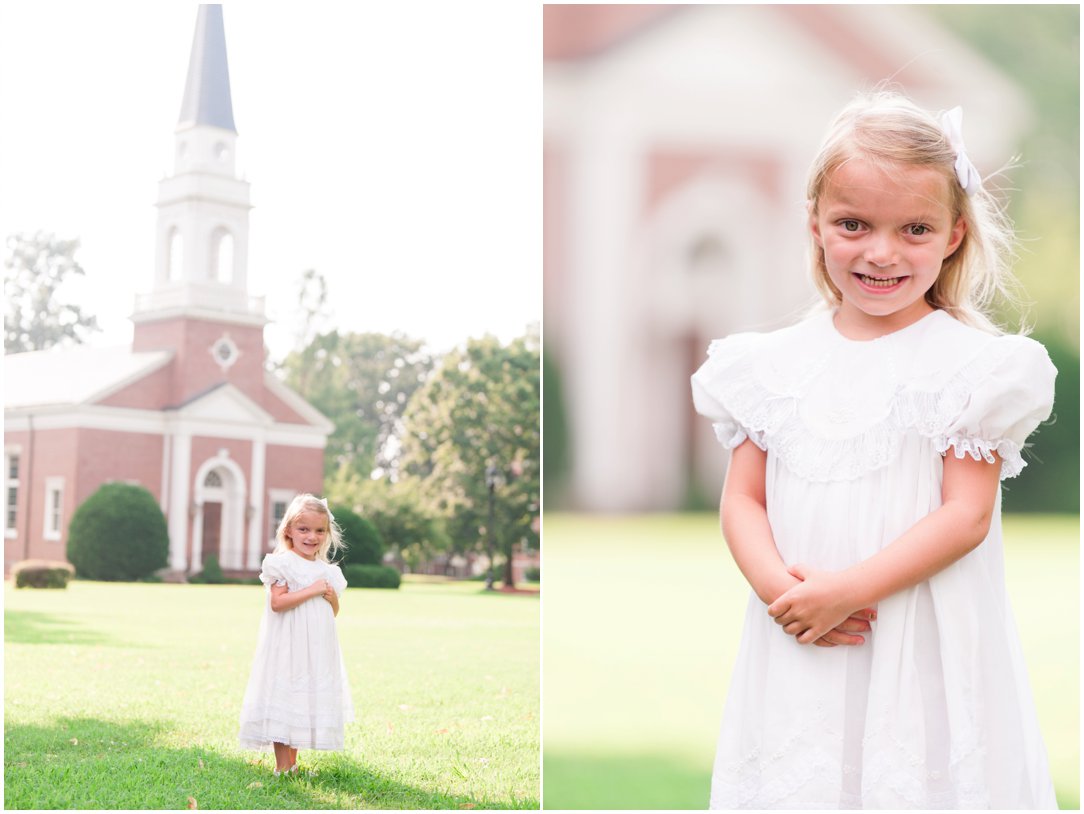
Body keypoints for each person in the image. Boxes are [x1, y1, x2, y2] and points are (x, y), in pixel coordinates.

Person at [691, 91, 1058, 809]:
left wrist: (849, 592)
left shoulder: (972, 368)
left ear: (954, 234)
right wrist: (785, 593)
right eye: (853, 223)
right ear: (816, 224)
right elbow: (744, 497)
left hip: (912, 634)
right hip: (800, 633)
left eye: (914, 228)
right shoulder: (768, 365)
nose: (881, 252)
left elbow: (965, 515)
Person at [238, 494, 354, 777]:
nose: (311, 536)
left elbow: (332, 611)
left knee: (302, 700)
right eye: (304, 529)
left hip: (315, 648)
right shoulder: (283, 563)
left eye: (319, 530)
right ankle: (282, 766)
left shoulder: (327, 571)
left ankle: (293, 764)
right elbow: (277, 603)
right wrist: (312, 590)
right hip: (288, 644)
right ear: (288, 529)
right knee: (285, 695)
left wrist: (329, 596)